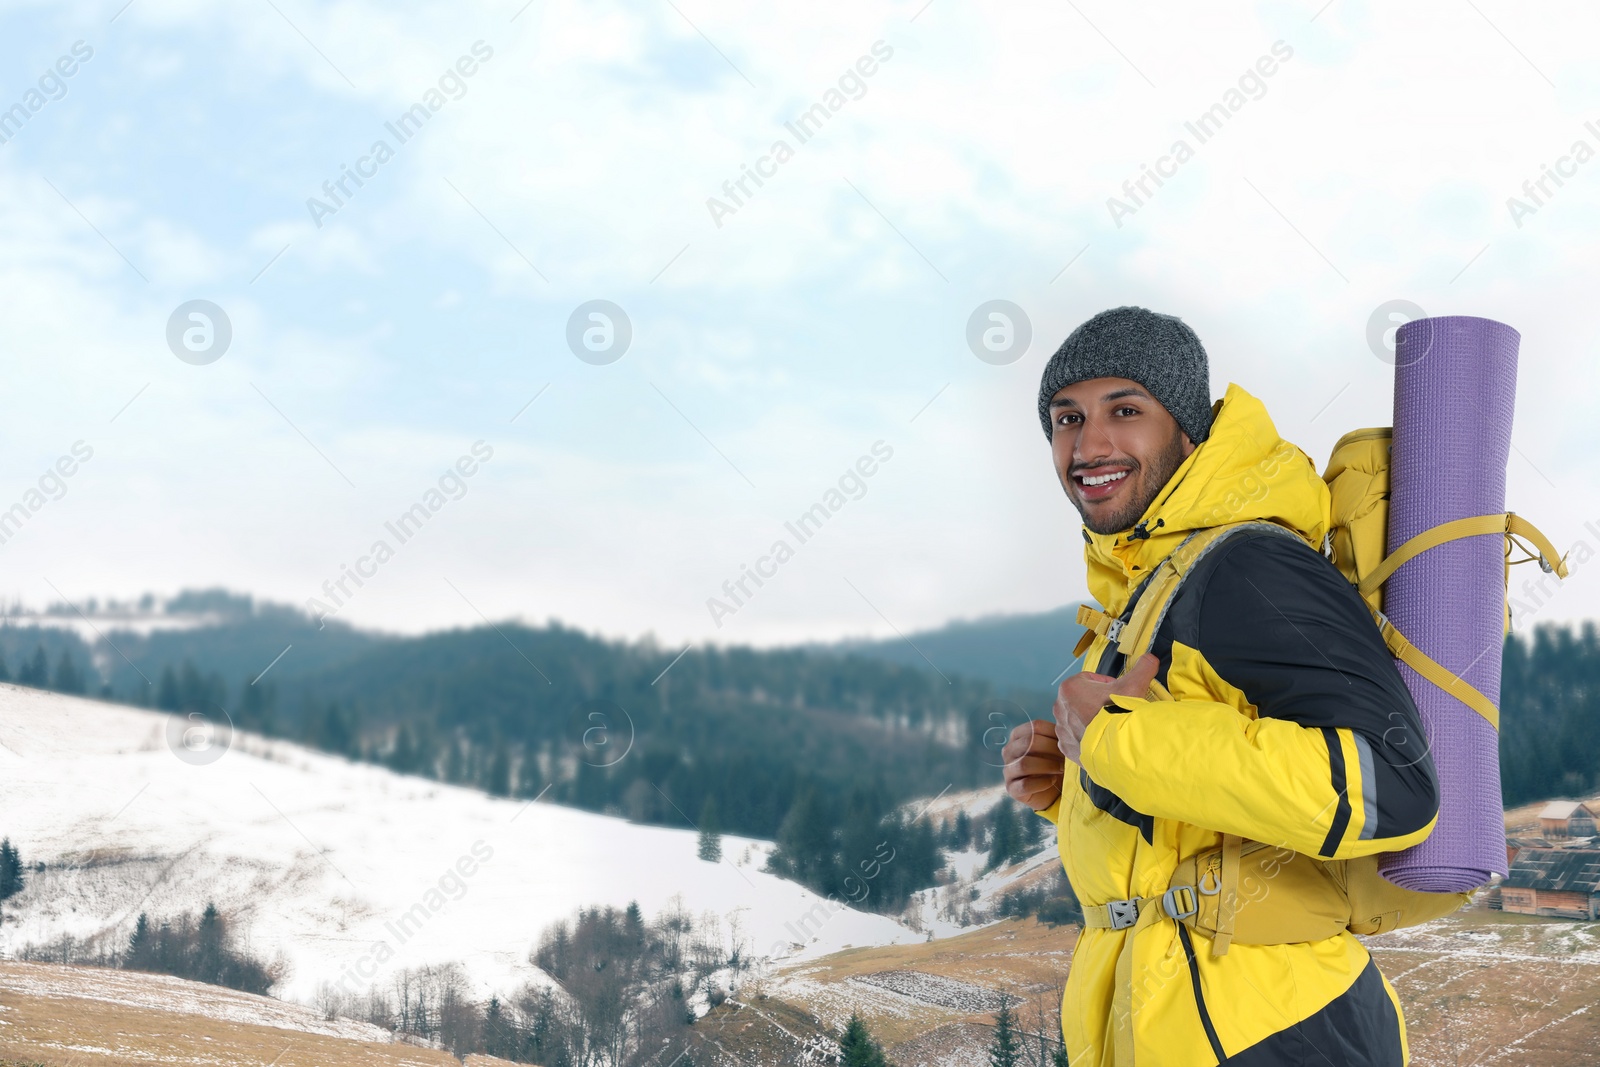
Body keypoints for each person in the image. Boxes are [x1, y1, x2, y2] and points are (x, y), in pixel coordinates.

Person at [1002, 306, 1439, 1066]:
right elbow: (1199, 807)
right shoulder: (1153, 582)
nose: (1089, 443)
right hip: (1177, 1022)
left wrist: (1119, 738)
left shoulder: (1248, 566)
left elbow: (1393, 783)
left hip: (1275, 1031)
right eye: (1066, 418)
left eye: (1125, 410)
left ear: (1189, 432)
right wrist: (1079, 779)